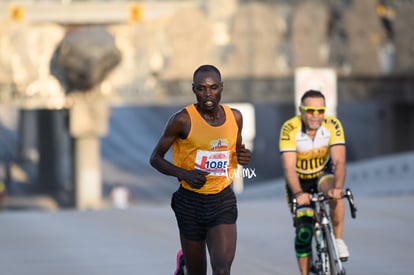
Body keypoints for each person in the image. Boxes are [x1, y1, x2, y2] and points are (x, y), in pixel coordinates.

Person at [150, 64, 251, 275]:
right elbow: (155, 159)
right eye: (201, 89)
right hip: (190, 203)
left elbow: (237, 151)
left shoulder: (235, 118)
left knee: (222, 269)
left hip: (221, 199)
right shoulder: (182, 120)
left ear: (221, 88)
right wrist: (184, 174)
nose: (208, 94)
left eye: (213, 88)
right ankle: (185, 264)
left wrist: (243, 156)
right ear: (194, 89)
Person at [279, 90, 349, 275]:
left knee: (334, 191)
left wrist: (338, 188)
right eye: (310, 110)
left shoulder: (333, 125)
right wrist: (299, 193)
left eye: (320, 111)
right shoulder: (289, 128)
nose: (316, 116)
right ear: (301, 110)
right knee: (304, 233)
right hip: (299, 181)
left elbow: (340, 161)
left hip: (321, 175)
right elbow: (289, 169)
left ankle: (338, 239)